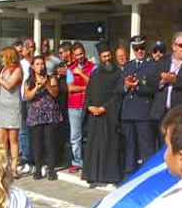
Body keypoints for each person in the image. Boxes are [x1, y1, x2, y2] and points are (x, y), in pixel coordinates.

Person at [82, 42, 123, 185]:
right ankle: (92, 175)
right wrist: (89, 107)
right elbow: (88, 93)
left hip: (109, 116)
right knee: (94, 146)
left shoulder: (118, 74)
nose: (107, 59)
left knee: (109, 146)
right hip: (94, 116)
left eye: (108, 56)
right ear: (99, 57)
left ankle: (109, 176)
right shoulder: (95, 74)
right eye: (104, 57)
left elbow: (118, 95)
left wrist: (105, 108)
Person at [119, 35, 157, 175]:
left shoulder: (152, 65)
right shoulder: (128, 66)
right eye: (136, 49)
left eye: (142, 48)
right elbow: (118, 87)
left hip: (143, 111)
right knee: (130, 145)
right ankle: (130, 172)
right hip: (128, 111)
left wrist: (138, 85)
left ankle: (148, 173)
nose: (139, 51)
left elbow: (154, 86)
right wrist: (126, 85)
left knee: (145, 146)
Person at [148, 31, 182, 124]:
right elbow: (151, 81)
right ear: (174, 47)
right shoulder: (162, 61)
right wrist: (162, 81)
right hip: (161, 113)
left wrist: (174, 80)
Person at [24, 55, 62, 180]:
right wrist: (36, 87)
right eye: (38, 64)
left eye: (42, 64)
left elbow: (55, 93)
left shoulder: (51, 78)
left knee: (50, 142)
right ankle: (38, 168)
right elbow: (26, 96)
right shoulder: (29, 81)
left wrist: (46, 85)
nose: (40, 67)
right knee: (37, 143)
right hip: (35, 115)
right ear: (33, 67)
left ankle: (51, 169)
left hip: (49, 114)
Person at [0, 46, 23, 175]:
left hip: (13, 105)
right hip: (1, 105)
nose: (2, 58)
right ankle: (4, 165)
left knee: (13, 139)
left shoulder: (17, 69)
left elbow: (10, 85)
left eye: (3, 55)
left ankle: (14, 166)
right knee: (2, 139)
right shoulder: (3, 69)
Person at [67, 42, 95, 172]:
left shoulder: (93, 67)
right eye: (77, 54)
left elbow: (94, 83)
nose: (79, 56)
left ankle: (89, 160)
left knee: (89, 134)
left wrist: (81, 74)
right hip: (74, 105)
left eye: (81, 53)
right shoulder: (70, 69)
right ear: (73, 55)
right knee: (75, 135)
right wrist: (86, 88)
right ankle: (77, 161)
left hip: (89, 104)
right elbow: (70, 88)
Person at [18, 38, 36, 174]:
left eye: (33, 47)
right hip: (23, 99)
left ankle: (35, 157)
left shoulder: (38, 63)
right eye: (29, 47)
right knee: (24, 129)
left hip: (37, 99)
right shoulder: (20, 64)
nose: (31, 50)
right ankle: (25, 157)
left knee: (35, 130)